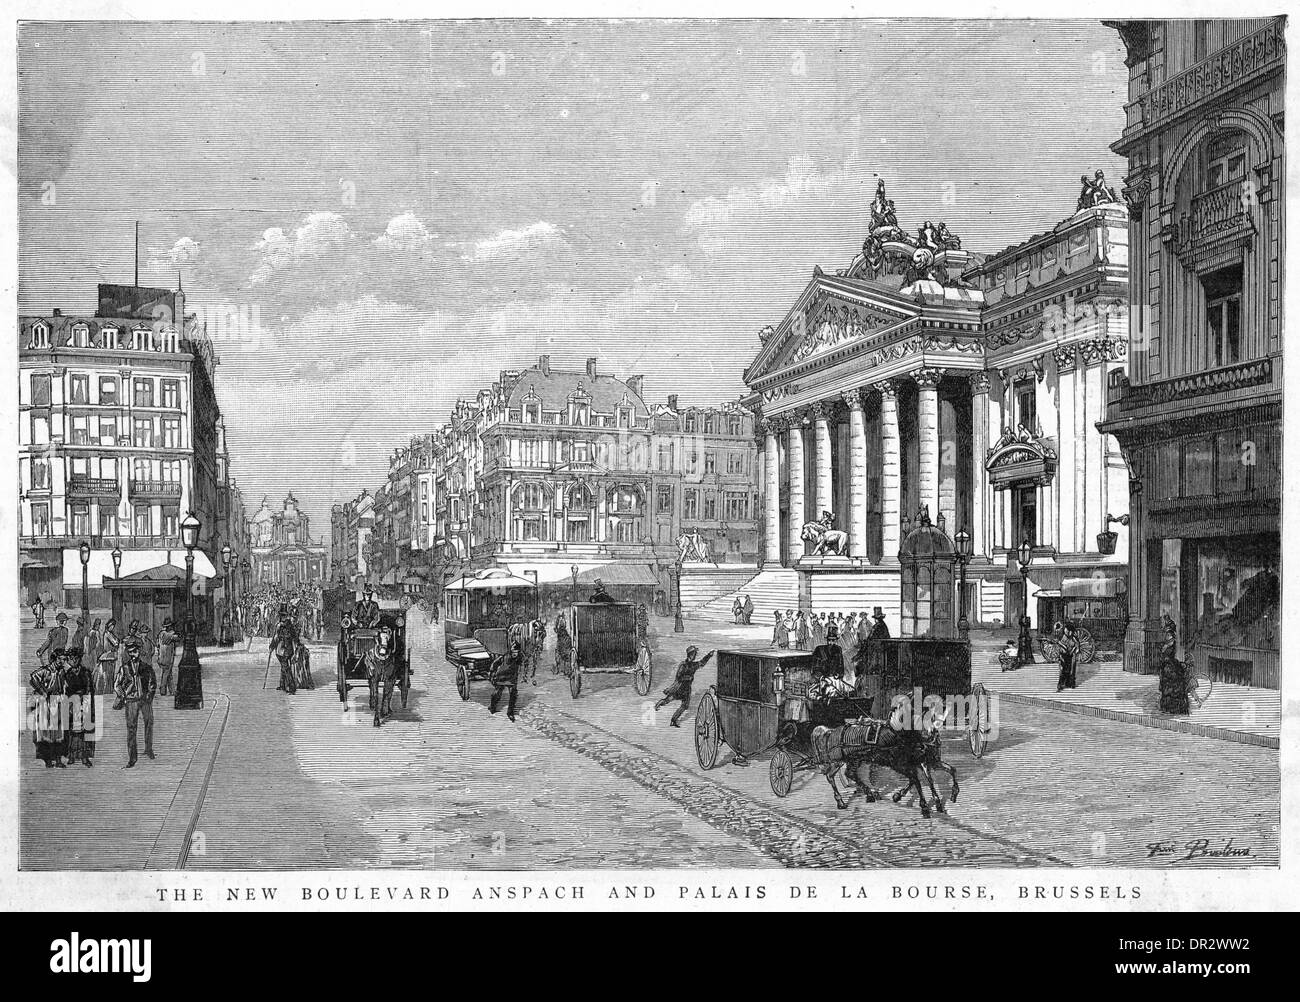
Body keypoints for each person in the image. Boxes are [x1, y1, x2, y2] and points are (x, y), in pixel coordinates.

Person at [114, 636, 157, 768]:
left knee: (149, 722)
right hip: (131, 701)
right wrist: (123, 696)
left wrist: (149, 696)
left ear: (139, 651)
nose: (133, 654)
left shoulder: (147, 667)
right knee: (131, 728)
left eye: (135, 651)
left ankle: (148, 749)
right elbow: (117, 685)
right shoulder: (124, 668)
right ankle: (132, 757)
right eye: (130, 652)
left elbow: (152, 683)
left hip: (145, 700)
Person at [655, 646, 715, 727]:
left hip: (687, 689)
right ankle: (659, 703)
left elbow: (702, 663)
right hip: (679, 687)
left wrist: (709, 655)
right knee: (668, 700)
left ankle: (673, 720)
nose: (695, 656)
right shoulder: (683, 665)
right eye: (694, 654)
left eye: (695, 654)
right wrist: (688, 678)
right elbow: (679, 677)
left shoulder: (694, 665)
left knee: (685, 706)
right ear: (690, 655)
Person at [60, 646, 96, 768]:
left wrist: (86, 704)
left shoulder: (86, 672)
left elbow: (89, 689)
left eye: (76, 658)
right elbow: (64, 690)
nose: (74, 661)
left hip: (83, 703)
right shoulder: (66, 673)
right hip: (71, 704)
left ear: (79, 659)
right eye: (71, 658)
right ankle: (71, 756)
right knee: (71, 731)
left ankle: (84, 757)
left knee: (84, 730)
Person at [28, 652, 67, 767]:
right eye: (60, 659)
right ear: (54, 659)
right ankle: (48, 760)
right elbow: (33, 678)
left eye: (64, 659)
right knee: (46, 732)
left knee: (58, 733)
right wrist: (43, 692)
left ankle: (58, 760)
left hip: (58, 701)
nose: (62, 662)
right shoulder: (45, 670)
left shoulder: (61, 671)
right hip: (46, 702)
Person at [489, 624, 523, 722]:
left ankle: (510, 712)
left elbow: (522, 663)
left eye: (516, 652)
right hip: (502, 676)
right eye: (513, 652)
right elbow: (496, 663)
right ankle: (492, 706)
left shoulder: (519, 657)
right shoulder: (505, 656)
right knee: (497, 693)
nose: (515, 654)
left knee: (513, 694)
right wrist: (492, 671)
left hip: (512, 678)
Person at [1158, 614, 1189, 715]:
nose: (1166, 635)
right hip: (1168, 663)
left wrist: (1164, 649)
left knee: (1173, 683)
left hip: (1169, 664)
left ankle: (1173, 707)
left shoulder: (1170, 638)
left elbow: (1166, 650)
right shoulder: (1169, 638)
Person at [271, 609, 301, 694]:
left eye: (284, 615)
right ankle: (282, 685)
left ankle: (292, 687)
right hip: (280, 649)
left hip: (287, 649)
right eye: (281, 615)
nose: (283, 617)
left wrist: (297, 645)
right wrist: (272, 647)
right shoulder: (278, 626)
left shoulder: (289, 626)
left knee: (286, 668)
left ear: (286, 616)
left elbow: (294, 637)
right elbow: (275, 637)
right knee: (283, 667)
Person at [155, 619, 179, 697]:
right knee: (166, 674)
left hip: (163, 657)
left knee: (169, 674)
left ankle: (171, 690)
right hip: (166, 658)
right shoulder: (165, 634)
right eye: (171, 626)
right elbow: (176, 637)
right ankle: (163, 690)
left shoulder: (161, 634)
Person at [96, 619, 120, 695]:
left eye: (113, 626)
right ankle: (107, 692)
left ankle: (108, 691)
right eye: (111, 626)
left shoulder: (110, 634)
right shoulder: (108, 634)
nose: (112, 627)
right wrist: (117, 643)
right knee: (108, 676)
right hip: (108, 657)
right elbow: (116, 643)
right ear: (108, 626)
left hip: (111, 657)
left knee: (110, 676)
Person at [1056, 620, 1081, 692]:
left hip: (1070, 656)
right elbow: (1059, 643)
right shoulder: (1063, 637)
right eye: (1066, 630)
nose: (1066, 631)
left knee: (1071, 670)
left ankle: (1070, 683)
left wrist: (1075, 650)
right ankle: (1060, 685)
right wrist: (1062, 646)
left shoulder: (1073, 638)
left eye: (1068, 630)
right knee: (1062, 670)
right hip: (1063, 656)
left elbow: (1077, 646)